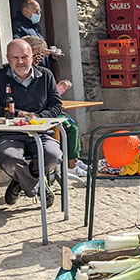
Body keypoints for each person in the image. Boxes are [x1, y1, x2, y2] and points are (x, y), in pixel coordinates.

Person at [0, 38, 62, 206]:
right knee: (9, 158)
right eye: (14, 58)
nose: (20, 62)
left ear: (32, 57)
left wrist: (38, 118)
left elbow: (56, 105)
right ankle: (37, 187)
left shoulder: (46, 75)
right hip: (8, 133)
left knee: (53, 155)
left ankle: (20, 181)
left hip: (40, 132)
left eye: (24, 57)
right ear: (7, 57)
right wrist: (18, 114)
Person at [21, 36, 87, 179]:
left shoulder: (41, 70)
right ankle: (70, 166)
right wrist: (61, 88)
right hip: (37, 116)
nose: (42, 56)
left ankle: (73, 161)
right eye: (40, 52)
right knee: (70, 127)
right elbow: (42, 96)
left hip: (45, 113)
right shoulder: (27, 72)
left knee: (71, 124)